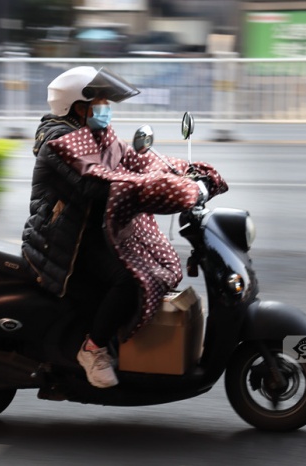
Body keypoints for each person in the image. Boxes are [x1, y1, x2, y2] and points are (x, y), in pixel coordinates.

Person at [21, 66, 227, 388]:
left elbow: (135, 161)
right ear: (78, 107)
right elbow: (96, 185)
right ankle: (93, 349)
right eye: (100, 102)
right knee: (131, 279)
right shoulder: (60, 143)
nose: (106, 108)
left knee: (157, 261)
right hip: (65, 243)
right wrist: (158, 188)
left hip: (94, 231)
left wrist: (183, 172)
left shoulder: (97, 135)